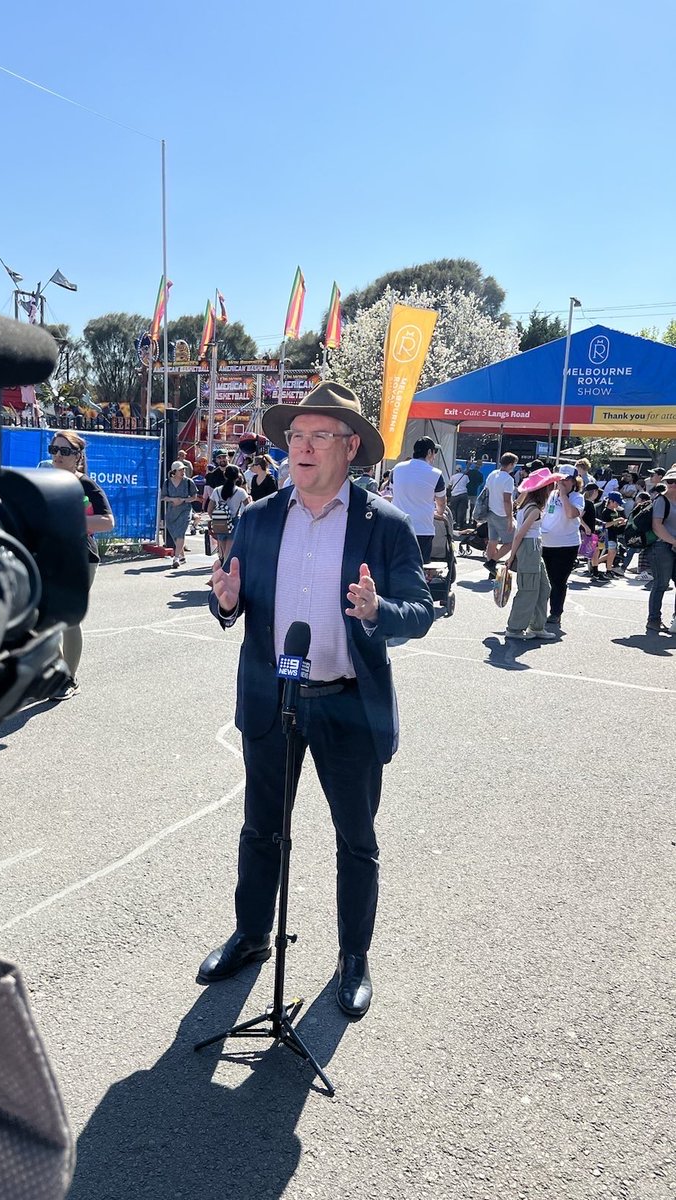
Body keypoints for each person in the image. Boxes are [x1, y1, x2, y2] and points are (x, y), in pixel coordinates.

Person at [197, 380, 434, 1018]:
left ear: (349, 447)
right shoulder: (258, 517)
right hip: (272, 698)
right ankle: (252, 938)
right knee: (260, 829)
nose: (299, 447)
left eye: (316, 435)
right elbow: (236, 597)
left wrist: (378, 610)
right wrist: (225, 604)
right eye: (294, 436)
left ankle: (353, 957)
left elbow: (421, 610)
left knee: (355, 837)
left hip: (348, 703)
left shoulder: (383, 525)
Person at [48, 430, 115, 698]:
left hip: (80, 557)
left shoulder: (86, 485)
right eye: (54, 450)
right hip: (50, 556)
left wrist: (70, 521)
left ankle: (68, 680)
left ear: (78, 456)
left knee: (67, 618)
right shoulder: (46, 481)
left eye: (65, 451)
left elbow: (107, 522)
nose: (58, 456)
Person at [495, 467, 562, 641]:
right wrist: (510, 558)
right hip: (529, 548)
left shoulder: (528, 504)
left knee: (542, 587)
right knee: (529, 590)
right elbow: (519, 534)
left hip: (532, 547)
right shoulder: (534, 509)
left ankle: (537, 626)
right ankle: (515, 628)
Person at [390, 435, 447, 565]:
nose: (434, 456)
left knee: (396, 565)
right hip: (423, 528)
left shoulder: (397, 469)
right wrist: (439, 512)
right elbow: (441, 502)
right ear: (429, 452)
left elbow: (393, 491)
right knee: (418, 568)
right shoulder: (436, 474)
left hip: (397, 526)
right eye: (434, 452)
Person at [540, 465, 584, 627]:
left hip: (566, 545)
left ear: (574, 481)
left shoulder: (577, 498)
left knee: (558, 580)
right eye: (560, 479)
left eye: (567, 479)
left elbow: (571, 514)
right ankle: (540, 611)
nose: (562, 482)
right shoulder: (551, 494)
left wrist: (564, 496)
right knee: (544, 579)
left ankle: (556, 612)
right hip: (546, 542)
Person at [646, 468, 676, 634]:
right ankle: (654, 619)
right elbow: (657, 526)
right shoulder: (661, 501)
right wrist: (673, 541)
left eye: (675, 482)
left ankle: (675, 620)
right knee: (661, 584)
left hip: (673, 544)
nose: (672, 485)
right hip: (661, 546)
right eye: (669, 482)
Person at [483, 452, 519, 579]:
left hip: (490, 511)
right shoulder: (508, 479)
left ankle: (491, 568)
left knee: (492, 541)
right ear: (510, 464)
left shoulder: (493, 474)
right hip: (502, 513)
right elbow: (506, 500)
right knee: (511, 541)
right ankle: (491, 562)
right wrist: (510, 518)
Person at [207, 463, 248, 563]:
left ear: (225, 475)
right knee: (229, 550)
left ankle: (221, 567)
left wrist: (216, 517)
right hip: (234, 521)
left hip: (219, 521)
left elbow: (209, 509)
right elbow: (249, 507)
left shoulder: (217, 490)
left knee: (221, 549)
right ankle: (225, 569)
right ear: (238, 476)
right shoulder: (241, 492)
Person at [162, 461, 197, 566]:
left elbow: (194, 497)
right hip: (172, 512)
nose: (183, 471)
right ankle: (182, 556)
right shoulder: (167, 482)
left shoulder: (188, 482)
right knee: (175, 535)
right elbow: (163, 497)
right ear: (174, 471)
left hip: (185, 510)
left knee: (181, 532)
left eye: (183, 469)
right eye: (180, 470)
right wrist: (173, 499)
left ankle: (176, 558)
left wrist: (183, 500)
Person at [447, 462, 470, 529]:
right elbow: (467, 483)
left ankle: (454, 523)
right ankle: (459, 524)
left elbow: (449, 486)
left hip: (454, 495)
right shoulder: (465, 476)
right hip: (463, 494)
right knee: (461, 510)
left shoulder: (453, 477)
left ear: (456, 470)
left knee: (454, 510)